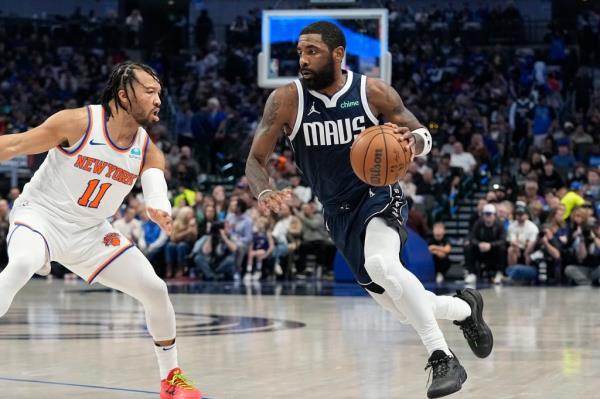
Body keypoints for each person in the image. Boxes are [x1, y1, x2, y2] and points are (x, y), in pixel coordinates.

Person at [245, 21, 492, 398]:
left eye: (312, 51)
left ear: (338, 54)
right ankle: (464, 309)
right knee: (400, 307)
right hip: (337, 213)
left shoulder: (371, 91)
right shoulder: (286, 100)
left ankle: (442, 357)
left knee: (382, 265)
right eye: (299, 52)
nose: (303, 59)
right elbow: (255, 160)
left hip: (378, 194)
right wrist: (264, 192)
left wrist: (415, 142)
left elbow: (422, 132)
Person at [0, 62, 201, 399]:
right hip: (41, 216)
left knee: (155, 289)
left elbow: (155, 186)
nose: (158, 100)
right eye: (150, 92)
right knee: (21, 264)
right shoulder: (77, 123)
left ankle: (171, 379)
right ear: (124, 95)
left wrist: (159, 207)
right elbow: (14, 145)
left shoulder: (147, 149)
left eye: (159, 93)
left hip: (91, 232)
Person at [464, 204, 507, 284]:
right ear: (483, 215)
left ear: (494, 215)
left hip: (494, 251)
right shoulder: (478, 224)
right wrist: (479, 244)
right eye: (486, 214)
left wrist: (490, 245)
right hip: (480, 250)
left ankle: (499, 273)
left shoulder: (499, 225)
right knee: (468, 247)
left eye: (490, 214)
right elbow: (472, 237)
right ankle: (471, 273)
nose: (488, 216)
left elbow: (502, 240)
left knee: (502, 248)